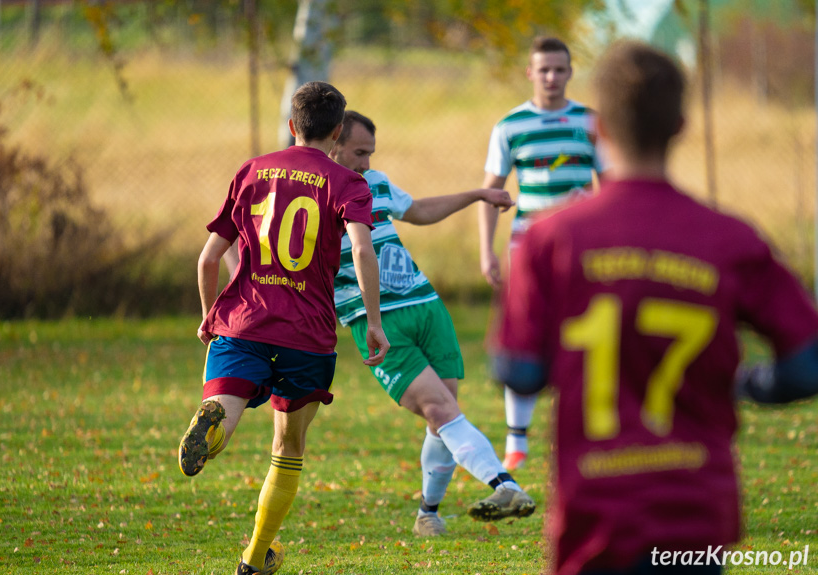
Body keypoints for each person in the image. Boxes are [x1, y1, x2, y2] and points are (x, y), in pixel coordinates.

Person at [495, 40, 818, 575]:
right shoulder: (730, 239)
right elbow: (808, 364)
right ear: (682, 126)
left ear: (598, 131)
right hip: (694, 515)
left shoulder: (551, 240)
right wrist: (746, 382)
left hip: (595, 514)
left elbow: (519, 370)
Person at [177, 82, 389, 575]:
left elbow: (209, 257)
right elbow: (360, 250)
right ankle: (255, 557)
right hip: (307, 334)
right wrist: (374, 323)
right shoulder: (349, 183)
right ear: (338, 132)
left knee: (225, 409)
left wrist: (211, 315)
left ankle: (211, 423)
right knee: (287, 447)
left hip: (244, 321)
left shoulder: (252, 171)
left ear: (292, 126)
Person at [329, 110, 535, 537]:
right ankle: (505, 484)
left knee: (444, 417)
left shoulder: (375, 183)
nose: (366, 163)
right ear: (333, 142)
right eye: (359, 152)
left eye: (370, 153)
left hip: (426, 306)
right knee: (441, 410)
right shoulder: (313, 195)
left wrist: (478, 194)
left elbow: (418, 210)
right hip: (377, 321)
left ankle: (428, 513)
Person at [478, 36, 607, 471]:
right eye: (544, 69)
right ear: (530, 73)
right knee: (524, 337)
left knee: (584, 335)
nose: (552, 77)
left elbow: (612, 189)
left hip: (581, 252)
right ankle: (517, 442)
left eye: (560, 69)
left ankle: (579, 431)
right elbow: (492, 192)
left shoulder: (592, 123)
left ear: (570, 72)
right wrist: (486, 251)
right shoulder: (509, 125)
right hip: (526, 252)